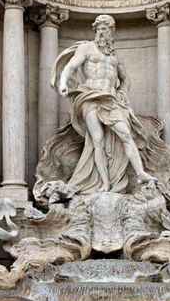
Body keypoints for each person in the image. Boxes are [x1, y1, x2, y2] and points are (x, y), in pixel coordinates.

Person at [52, 14, 153, 195]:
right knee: (97, 140)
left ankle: (141, 173)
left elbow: (125, 79)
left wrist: (122, 91)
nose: (102, 31)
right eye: (99, 28)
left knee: (126, 134)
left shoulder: (115, 57)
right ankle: (105, 183)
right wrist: (63, 83)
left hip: (111, 100)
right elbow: (71, 66)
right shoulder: (86, 48)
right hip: (90, 97)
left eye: (105, 28)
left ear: (112, 31)